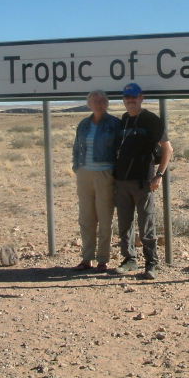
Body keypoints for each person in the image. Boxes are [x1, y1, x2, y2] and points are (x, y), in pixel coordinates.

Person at [114, 83, 173, 280]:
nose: (130, 100)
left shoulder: (151, 120)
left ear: (141, 98)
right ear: (123, 99)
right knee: (125, 224)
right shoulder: (123, 120)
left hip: (144, 181)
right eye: (127, 97)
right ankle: (129, 259)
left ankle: (151, 263)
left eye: (134, 97)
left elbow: (168, 149)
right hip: (122, 181)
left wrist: (159, 175)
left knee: (146, 224)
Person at [71, 90, 121, 273]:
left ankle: (103, 259)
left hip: (105, 174)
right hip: (84, 174)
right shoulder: (83, 124)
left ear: (107, 103)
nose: (99, 103)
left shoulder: (115, 123)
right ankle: (87, 258)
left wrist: (114, 172)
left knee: (105, 217)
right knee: (86, 218)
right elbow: (77, 147)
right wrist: (77, 167)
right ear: (89, 104)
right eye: (95, 101)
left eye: (102, 100)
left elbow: (119, 149)